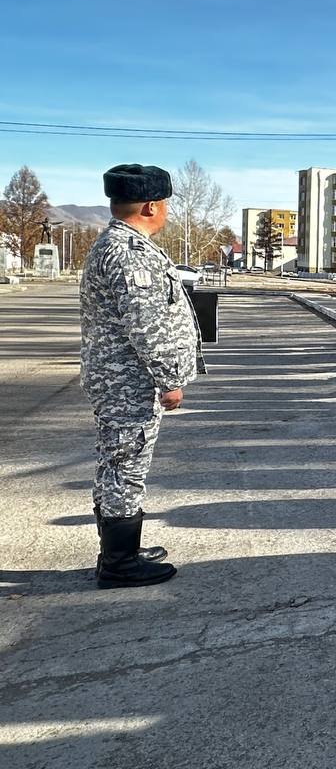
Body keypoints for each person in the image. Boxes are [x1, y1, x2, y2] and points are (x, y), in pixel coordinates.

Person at [80, 164, 200, 588]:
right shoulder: (128, 252)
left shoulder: (123, 244)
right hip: (128, 381)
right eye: (164, 204)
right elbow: (145, 322)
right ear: (151, 205)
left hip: (121, 378)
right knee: (125, 466)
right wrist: (170, 379)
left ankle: (120, 552)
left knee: (117, 462)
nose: (166, 211)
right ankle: (119, 564)